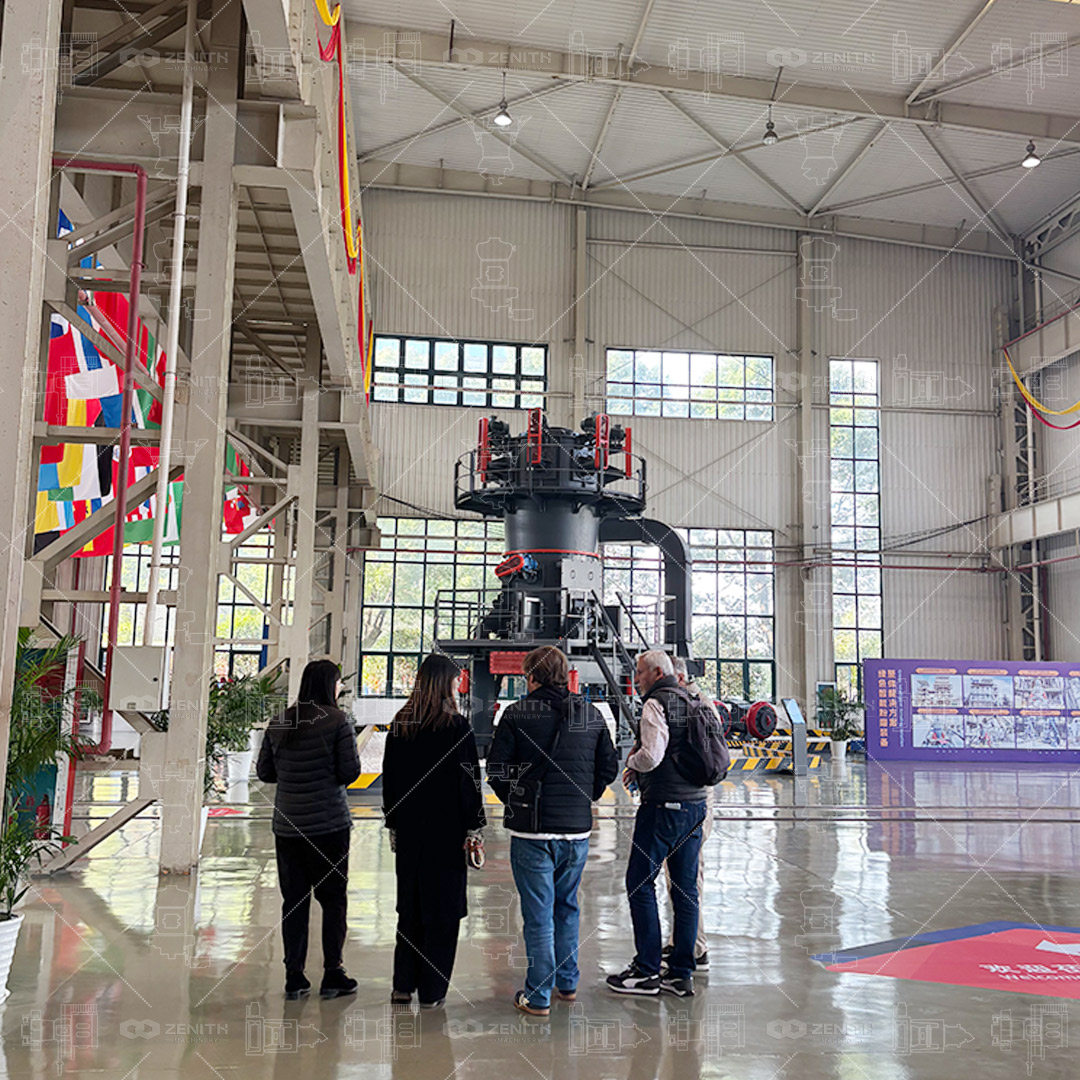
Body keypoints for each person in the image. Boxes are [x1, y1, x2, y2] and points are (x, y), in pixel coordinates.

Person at [486, 646, 619, 1018]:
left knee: (538, 914)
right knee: (568, 907)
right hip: (576, 832)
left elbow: (497, 769)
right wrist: (582, 799)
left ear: (532, 676)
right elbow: (608, 767)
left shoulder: (517, 714)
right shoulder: (590, 714)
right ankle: (568, 982)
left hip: (533, 834)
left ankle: (538, 995)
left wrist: (518, 800)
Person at [382, 654, 486, 1010]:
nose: (459, 686)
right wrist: (475, 827)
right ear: (446, 683)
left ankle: (402, 985)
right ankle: (432, 991)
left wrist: (393, 823)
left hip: (411, 832)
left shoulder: (401, 724)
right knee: (442, 913)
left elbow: (390, 780)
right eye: (456, 680)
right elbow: (469, 781)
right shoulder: (457, 727)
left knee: (410, 908)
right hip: (447, 833)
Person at [257, 658, 361, 1000]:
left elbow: (265, 773)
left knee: (294, 901)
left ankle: (294, 977)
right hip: (329, 827)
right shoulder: (337, 721)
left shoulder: (280, 721)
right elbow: (349, 773)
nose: (340, 688)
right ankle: (333, 974)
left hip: (288, 827)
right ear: (328, 686)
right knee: (333, 900)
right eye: (337, 683)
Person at [607, 650, 707, 998]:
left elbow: (651, 755)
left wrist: (631, 761)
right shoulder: (694, 700)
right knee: (685, 889)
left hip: (663, 807)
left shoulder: (656, 704)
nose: (636, 678)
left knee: (639, 882)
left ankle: (647, 970)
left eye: (639, 672)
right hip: (696, 807)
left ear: (656, 672)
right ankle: (681, 973)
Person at [661, 655, 716, 972]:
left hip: (693, 802)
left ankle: (696, 949)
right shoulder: (696, 703)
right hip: (694, 800)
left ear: (678, 678)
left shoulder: (693, 707)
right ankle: (682, 941)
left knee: (687, 878)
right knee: (679, 878)